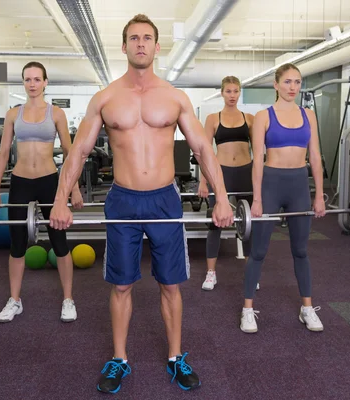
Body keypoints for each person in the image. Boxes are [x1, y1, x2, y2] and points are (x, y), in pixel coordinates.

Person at [49, 14, 234, 394]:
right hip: (123, 200)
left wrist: (223, 198)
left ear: (156, 46)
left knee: (171, 284)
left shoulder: (175, 97)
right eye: (133, 38)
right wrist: (59, 201)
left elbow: (202, 148)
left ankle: (175, 358)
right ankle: (119, 359)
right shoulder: (105, 98)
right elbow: (78, 152)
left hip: (165, 200)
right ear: (123, 46)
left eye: (147, 38)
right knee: (120, 286)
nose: (140, 43)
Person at [0, 61, 84, 324]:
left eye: (36, 79)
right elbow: (4, 153)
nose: (32, 84)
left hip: (49, 181)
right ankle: (15, 300)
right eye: (27, 79)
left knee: (59, 242)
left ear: (45, 82)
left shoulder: (56, 114)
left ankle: (68, 299)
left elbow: (69, 152)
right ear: (23, 83)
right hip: (20, 180)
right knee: (17, 245)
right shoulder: (12, 114)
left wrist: (73, 189)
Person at [240, 63, 326, 334]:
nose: (293, 87)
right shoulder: (263, 116)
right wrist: (256, 199)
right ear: (275, 85)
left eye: (297, 82)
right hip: (271, 184)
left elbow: (314, 156)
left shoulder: (309, 114)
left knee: (301, 250)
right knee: (259, 251)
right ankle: (247, 310)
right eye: (287, 82)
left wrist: (319, 195)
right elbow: (257, 161)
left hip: (299, 185)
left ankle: (307, 308)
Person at [198, 76, 255, 291]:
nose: (232, 95)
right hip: (220, 174)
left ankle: (251, 273)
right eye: (228, 91)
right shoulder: (213, 119)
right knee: (215, 223)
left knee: (249, 225)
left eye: (236, 91)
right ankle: (211, 273)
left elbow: (258, 151)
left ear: (239, 93)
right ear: (222, 93)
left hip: (245, 172)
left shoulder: (249, 119)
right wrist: (204, 181)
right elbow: (204, 152)